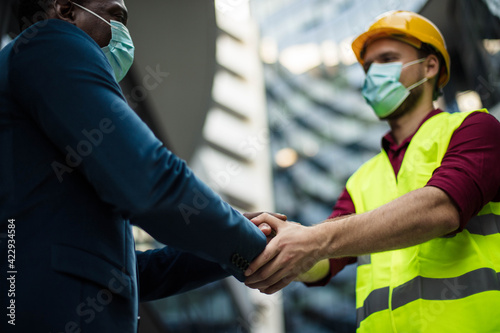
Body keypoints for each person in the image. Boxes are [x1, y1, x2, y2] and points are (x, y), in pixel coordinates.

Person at [0, 1, 278, 332]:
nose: (124, 34)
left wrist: (240, 242)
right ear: (65, 9)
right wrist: (254, 246)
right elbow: (149, 180)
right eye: (115, 16)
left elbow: (124, 271)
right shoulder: (52, 40)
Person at [244, 10, 500, 332]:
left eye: (388, 59)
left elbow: (442, 209)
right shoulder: (361, 179)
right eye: (369, 67)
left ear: (429, 66)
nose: (374, 75)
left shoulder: (475, 128)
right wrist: (275, 248)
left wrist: (311, 240)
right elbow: (324, 263)